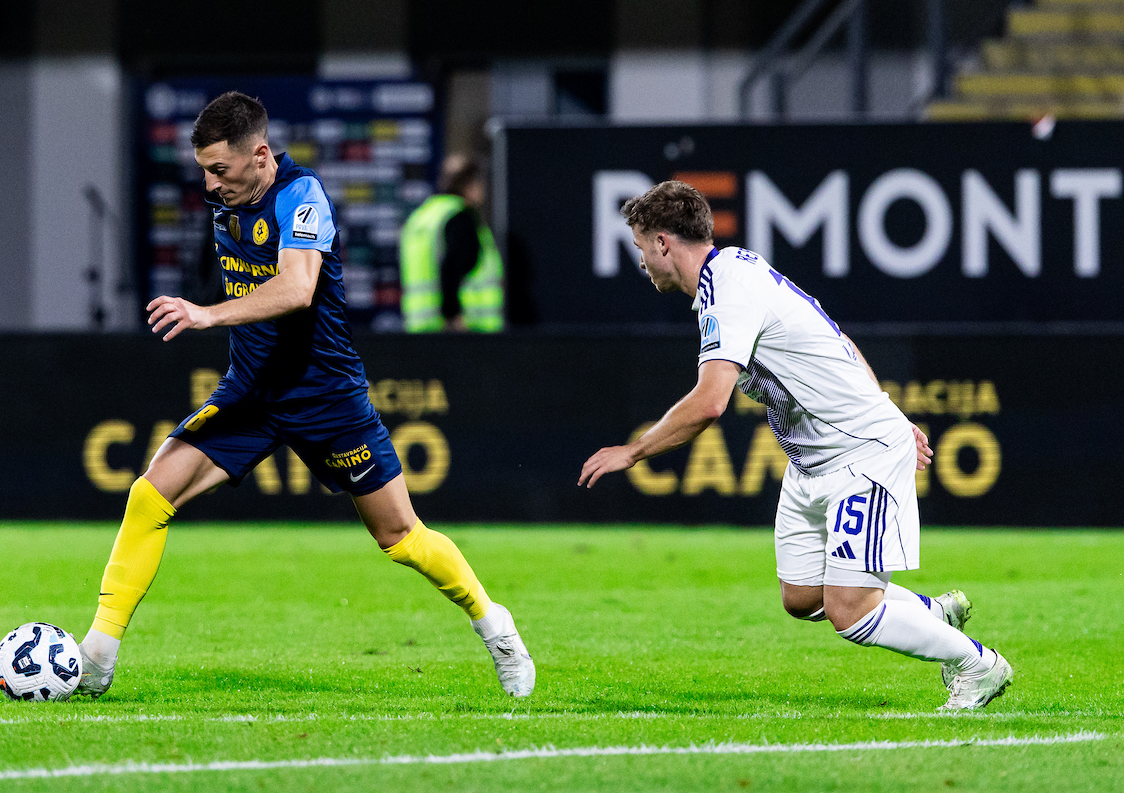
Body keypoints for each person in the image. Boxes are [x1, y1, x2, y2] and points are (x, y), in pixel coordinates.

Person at [76, 92, 533, 699]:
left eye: (220, 170)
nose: (210, 185)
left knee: (400, 537)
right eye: (204, 171)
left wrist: (207, 314)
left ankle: (496, 626)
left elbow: (296, 289)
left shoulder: (302, 195)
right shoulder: (228, 203)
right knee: (150, 493)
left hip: (325, 397)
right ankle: (97, 657)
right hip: (252, 392)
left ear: (261, 156)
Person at [578, 180, 1011, 711]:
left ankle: (979, 664)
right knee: (803, 596)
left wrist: (634, 451)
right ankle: (928, 614)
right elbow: (838, 340)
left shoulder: (728, 291)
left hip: (859, 454)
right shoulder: (735, 270)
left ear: (663, 243)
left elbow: (710, 402)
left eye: (642, 247)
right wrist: (888, 406)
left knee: (849, 611)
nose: (642, 260)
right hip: (811, 463)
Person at [399, 154, 504, 332]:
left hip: (420, 328)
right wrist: (453, 315)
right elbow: (451, 267)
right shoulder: (459, 216)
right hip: (461, 329)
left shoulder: (422, 217)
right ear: (470, 185)